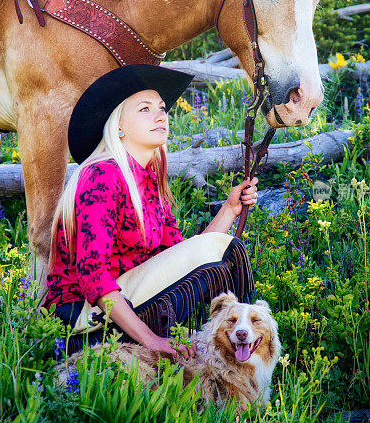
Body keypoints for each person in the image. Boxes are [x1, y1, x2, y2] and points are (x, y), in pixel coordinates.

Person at [45, 64, 258, 362]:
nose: (161, 115)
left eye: (161, 108)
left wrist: (229, 210)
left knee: (221, 250)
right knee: (227, 249)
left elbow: (180, 262)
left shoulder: (149, 183)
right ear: (117, 125)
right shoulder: (102, 175)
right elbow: (92, 274)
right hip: (82, 320)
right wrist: (151, 339)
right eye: (144, 109)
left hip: (129, 304)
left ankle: (237, 351)